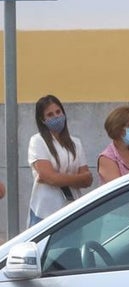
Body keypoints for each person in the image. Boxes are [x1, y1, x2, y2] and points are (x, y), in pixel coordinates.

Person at [27, 95, 92, 227]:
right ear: (42, 120)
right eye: (50, 115)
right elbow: (50, 177)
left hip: (72, 210)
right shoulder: (38, 141)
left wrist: (56, 178)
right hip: (45, 213)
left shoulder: (76, 143)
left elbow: (88, 180)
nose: (56, 117)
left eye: (58, 112)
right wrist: (76, 178)